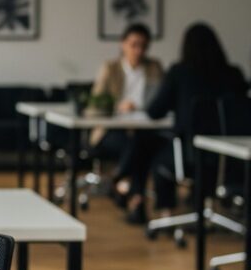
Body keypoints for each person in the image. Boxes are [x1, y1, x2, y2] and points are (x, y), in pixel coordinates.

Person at [124, 22, 247, 222]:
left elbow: (155, 111)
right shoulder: (234, 74)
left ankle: (165, 213)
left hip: (191, 157)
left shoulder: (179, 72)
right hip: (231, 159)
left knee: (154, 154)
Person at [88, 22, 164, 215]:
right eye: (134, 44)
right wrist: (116, 107)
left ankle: (120, 183)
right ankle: (134, 198)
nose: (139, 50)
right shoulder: (110, 68)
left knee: (141, 142)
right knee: (137, 146)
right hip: (111, 131)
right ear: (123, 44)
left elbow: (162, 101)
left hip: (144, 128)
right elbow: (94, 105)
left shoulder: (154, 68)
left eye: (143, 46)